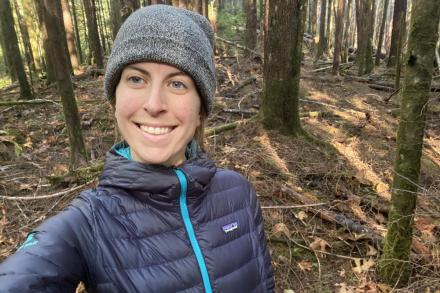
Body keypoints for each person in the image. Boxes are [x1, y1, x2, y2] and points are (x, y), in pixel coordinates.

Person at [0, 5, 274, 292]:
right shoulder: (88, 224)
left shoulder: (238, 194)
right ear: (115, 100)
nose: (154, 104)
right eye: (136, 79)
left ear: (200, 110)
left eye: (177, 83)